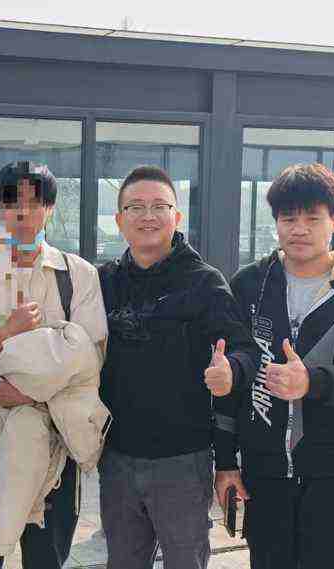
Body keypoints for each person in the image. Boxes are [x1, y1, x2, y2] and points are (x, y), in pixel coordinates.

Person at [214, 162, 334, 569]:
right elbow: (231, 383)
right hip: (263, 471)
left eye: (312, 218)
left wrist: (311, 381)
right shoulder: (249, 284)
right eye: (288, 218)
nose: (299, 229)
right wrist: (225, 463)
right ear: (276, 223)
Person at [0, 161, 109, 568]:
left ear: (50, 208)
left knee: (46, 557)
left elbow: (91, 357)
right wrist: (3, 335)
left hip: (55, 435)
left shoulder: (77, 274)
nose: (23, 212)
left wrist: (29, 392)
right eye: (12, 202)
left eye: (35, 203)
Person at [97, 165, 259, 569]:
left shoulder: (204, 282)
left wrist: (231, 371)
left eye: (159, 206)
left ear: (177, 216)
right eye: (135, 207)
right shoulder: (103, 282)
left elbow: (245, 350)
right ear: (119, 219)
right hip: (116, 458)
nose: (147, 216)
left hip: (182, 461)